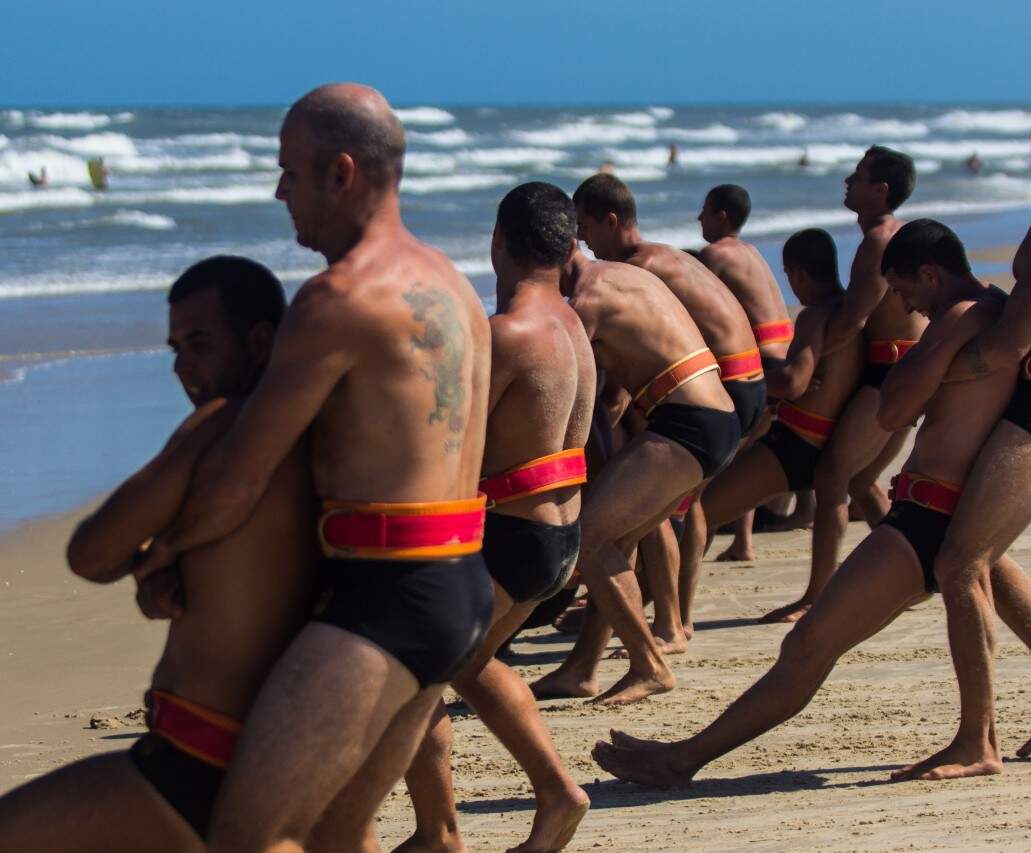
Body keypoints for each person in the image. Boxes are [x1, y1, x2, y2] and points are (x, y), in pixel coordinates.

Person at [591, 219, 1031, 788]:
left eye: (908, 296)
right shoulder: (988, 310)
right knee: (973, 568)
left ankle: (685, 759)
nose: (910, 309)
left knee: (811, 643)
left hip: (927, 514)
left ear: (930, 275)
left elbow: (892, 410)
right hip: (933, 507)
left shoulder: (959, 318)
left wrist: (924, 364)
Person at [132, 83, 495, 850]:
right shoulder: (453, 286)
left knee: (249, 835)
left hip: (384, 597)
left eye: (289, 173)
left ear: (341, 173)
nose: (278, 191)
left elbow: (241, 472)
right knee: (335, 838)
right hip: (458, 585)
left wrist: (164, 552)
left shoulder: (338, 298)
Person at [0, 256, 317, 850]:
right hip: (272, 759)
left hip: (195, 761)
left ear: (258, 341)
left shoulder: (219, 427)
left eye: (199, 344)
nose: (182, 367)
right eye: (174, 348)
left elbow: (90, 553)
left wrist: (150, 555)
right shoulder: (316, 433)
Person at [893, 81, 1031, 782]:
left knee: (959, 562)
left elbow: (1006, 347)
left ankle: (976, 742)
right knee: (979, 545)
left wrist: (932, 375)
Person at [391, 183, 594, 853]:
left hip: (513, 533)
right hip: (559, 535)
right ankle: (549, 795)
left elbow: (449, 444)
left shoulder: (506, 334)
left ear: (498, 241)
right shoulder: (572, 328)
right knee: (468, 664)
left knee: (424, 667)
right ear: (567, 248)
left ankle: (441, 831)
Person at [529, 240, 738, 705]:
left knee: (592, 537)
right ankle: (581, 669)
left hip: (687, 423)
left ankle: (649, 665)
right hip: (712, 415)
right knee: (616, 542)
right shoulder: (623, 275)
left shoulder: (586, 301)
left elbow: (564, 385)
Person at [573, 173, 764, 647]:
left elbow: (653, 345)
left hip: (722, 389)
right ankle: (658, 618)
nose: (582, 241)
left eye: (585, 228)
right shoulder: (658, 255)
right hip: (739, 383)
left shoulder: (642, 269)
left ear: (611, 221)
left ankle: (671, 621)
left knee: (661, 505)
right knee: (654, 506)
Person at [767, 145, 925, 624]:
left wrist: (811, 365)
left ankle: (818, 596)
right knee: (859, 480)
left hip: (890, 373)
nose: (847, 183)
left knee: (832, 477)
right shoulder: (883, 236)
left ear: (880, 190)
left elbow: (851, 322)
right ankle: (916, 572)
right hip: (903, 370)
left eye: (857, 177)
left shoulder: (879, 240)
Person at [696, 229, 862, 561]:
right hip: (822, 440)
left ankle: (666, 605)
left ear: (800, 273)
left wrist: (735, 380)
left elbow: (792, 384)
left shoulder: (815, 315)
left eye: (789, 276)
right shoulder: (846, 312)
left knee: (698, 512)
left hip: (794, 444)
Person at [688, 183, 795, 612]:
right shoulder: (751, 252)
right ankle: (744, 542)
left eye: (705, 212)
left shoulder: (715, 256)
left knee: (713, 476)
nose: (699, 219)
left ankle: (682, 583)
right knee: (742, 456)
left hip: (761, 366)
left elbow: (709, 313)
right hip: (784, 357)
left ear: (722, 217)